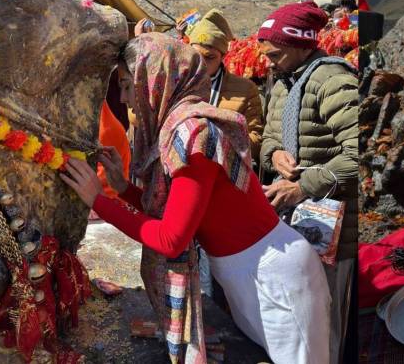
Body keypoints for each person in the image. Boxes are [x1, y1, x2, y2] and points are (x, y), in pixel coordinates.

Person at [60, 33, 330, 364]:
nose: (125, 97)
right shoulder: (177, 129)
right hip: (246, 271)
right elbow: (177, 210)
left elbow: (171, 239)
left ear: (155, 80)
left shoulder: (192, 135)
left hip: (273, 274)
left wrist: (97, 200)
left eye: (129, 85)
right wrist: (122, 187)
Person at [258, 1, 358, 364]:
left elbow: (358, 153)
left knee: (327, 319)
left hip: (334, 226)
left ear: (301, 43)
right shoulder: (285, 82)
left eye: (275, 53)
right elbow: (270, 135)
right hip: (298, 223)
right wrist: (274, 156)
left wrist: (304, 186)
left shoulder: (333, 80)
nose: (267, 62)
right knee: (305, 310)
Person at [187, 8, 264, 160]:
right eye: (195, 56)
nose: (201, 63)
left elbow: (256, 141)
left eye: (209, 57)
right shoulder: (177, 84)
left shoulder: (245, 89)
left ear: (222, 56)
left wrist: (219, 138)